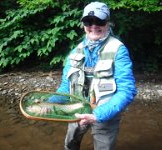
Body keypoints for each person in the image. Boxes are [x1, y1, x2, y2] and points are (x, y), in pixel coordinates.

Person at [48, 1, 137, 150]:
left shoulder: (118, 50)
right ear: (83, 25)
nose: (93, 26)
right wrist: (50, 103)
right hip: (77, 109)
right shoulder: (75, 51)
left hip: (106, 113)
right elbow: (66, 86)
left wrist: (98, 115)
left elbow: (127, 91)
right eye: (88, 21)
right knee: (70, 145)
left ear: (108, 23)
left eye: (99, 21)